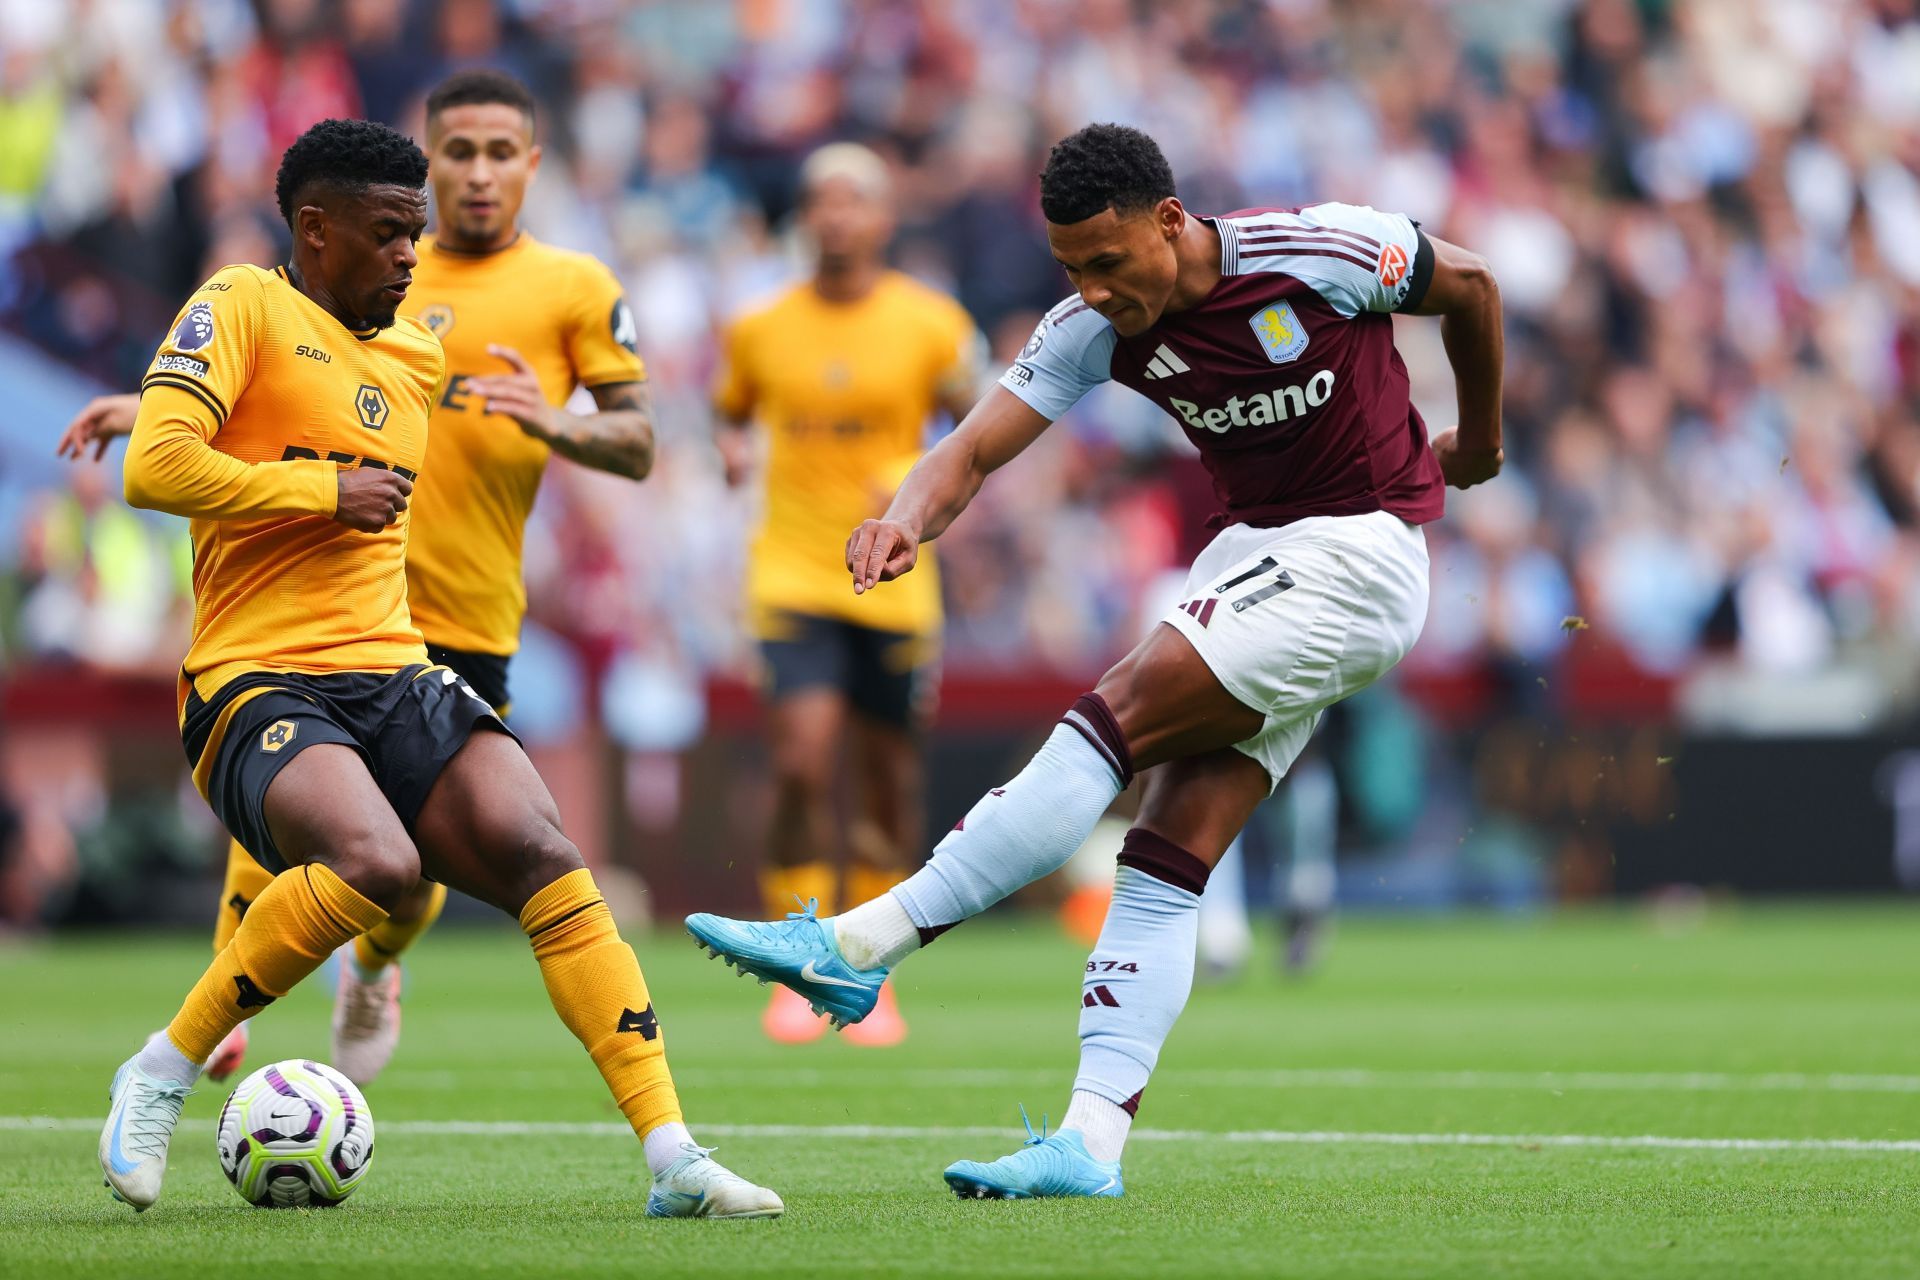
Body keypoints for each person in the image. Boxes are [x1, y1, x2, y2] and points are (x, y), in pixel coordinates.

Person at [687, 122, 1503, 1198]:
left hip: (1355, 551)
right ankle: (1091, 1140)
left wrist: (1482, 441)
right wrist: (903, 520)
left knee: (1110, 719)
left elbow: (1476, 285)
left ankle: (862, 941)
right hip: (1262, 553)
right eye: (1072, 266)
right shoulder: (1090, 327)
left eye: (1109, 262)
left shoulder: (1316, 251)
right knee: (1166, 855)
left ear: (1170, 221)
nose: (1096, 288)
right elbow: (971, 446)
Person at [95, 117, 780, 1219]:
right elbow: (159, 463)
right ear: (314, 231)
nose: (411, 255)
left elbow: (529, 446)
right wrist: (319, 491)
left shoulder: (414, 352)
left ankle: (673, 1154)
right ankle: (163, 1068)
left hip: (394, 667)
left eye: (415, 235)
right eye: (387, 233)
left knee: (548, 851)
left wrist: (556, 422)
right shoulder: (239, 302)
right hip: (254, 675)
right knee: (376, 860)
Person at [58, 70, 654, 1087]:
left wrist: (554, 420)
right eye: (456, 149)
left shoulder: (570, 288)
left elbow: (640, 443)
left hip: (463, 614)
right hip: (323, 617)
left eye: (498, 152)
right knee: (309, 821)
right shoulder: (360, 264)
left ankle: (372, 967)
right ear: (426, 153)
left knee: (418, 872)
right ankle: (217, 1006)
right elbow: (274, 376)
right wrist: (146, 400)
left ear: (531, 166)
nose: (475, 173)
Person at [711, 142, 981, 1046]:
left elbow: (976, 427)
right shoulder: (759, 326)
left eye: (852, 201)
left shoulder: (931, 322)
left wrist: (914, 481)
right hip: (792, 568)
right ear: (804, 217)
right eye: (819, 200)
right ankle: (797, 953)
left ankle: (866, 959)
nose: (835, 216)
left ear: (882, 217)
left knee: (889, 779)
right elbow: (731, 410)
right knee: (799, 759)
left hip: (897, 581)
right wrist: (733, 449)